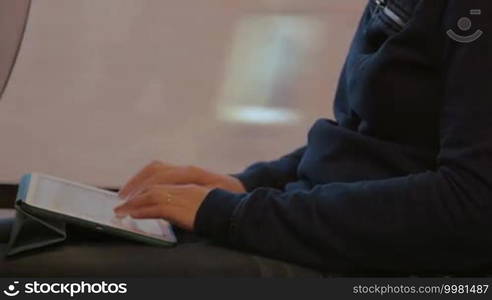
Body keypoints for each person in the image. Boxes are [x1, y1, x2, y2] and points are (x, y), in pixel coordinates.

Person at [114, 0, 492, 274]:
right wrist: (250, 183)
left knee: (80, 273)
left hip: (398, 265)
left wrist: (235, 214)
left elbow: (471, 206)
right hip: (332, 228)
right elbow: (372, 138)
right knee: (87, 237)